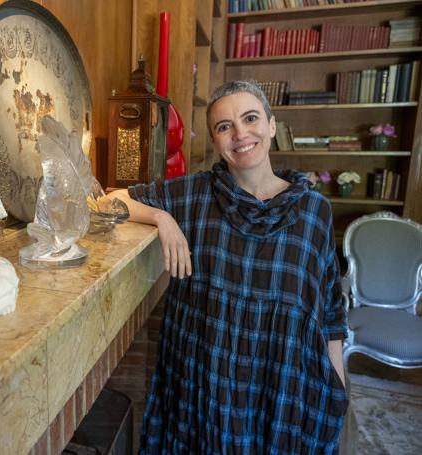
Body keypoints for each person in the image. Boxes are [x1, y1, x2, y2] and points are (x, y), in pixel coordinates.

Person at [110, 80, 348, 454]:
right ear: (216, 141)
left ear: (271, 126)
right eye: (224, 127)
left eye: (250, 118)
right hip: (208, 388)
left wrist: (338, 387)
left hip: (281, 390)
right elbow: (109, 201)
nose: (240, 134)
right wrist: (161, 218)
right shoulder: (193, 195)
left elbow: (331, 311)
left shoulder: (315, 211)